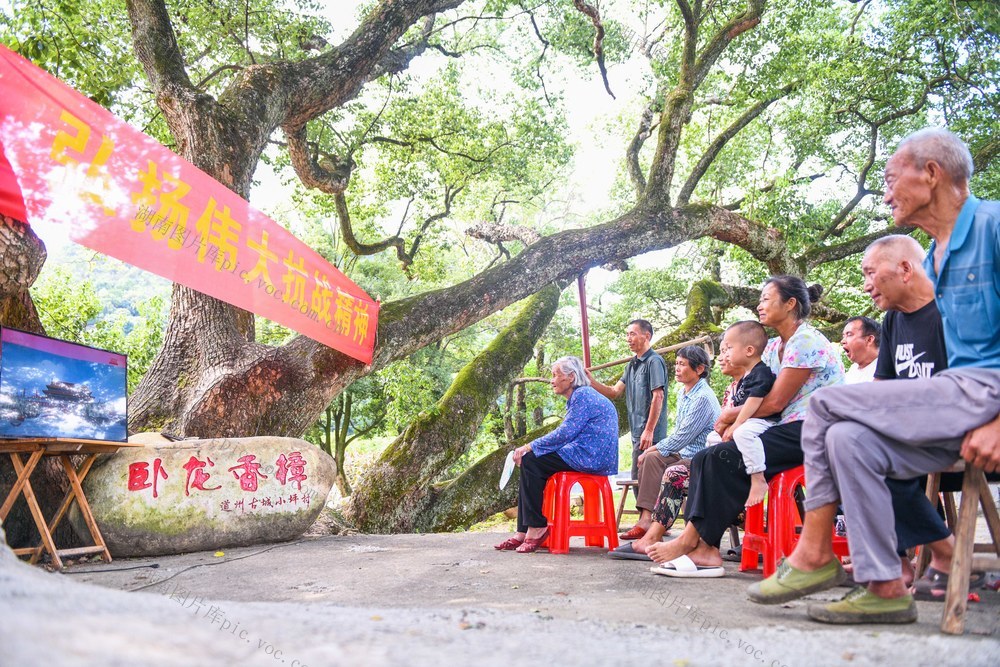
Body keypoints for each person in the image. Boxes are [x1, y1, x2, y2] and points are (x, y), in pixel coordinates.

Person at [747, 128, 1000, 625]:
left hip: (981, 395)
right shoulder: (941, 254)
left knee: (824, 406)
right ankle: (884, 584)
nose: (884, 193)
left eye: (890, 178)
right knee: (846, 439)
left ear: (930, 174)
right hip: (955, 406)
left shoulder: (991, 227)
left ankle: (814, 551)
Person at [644, 275, 845, 575]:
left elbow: (776, 402)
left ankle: (694, 542)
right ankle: (705, 549)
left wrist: (730, 417)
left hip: (815, 429)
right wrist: (730, 418)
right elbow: (757, 390)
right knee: (703, 457)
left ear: (790, 304)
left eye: (766, 299)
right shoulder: (775, 345)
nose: (759, 305)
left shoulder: (806, 340)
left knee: (720, 457)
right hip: (783, 428)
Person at [862, 234, 971, 598]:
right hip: (919, 442)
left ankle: (944, 556)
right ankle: (897, 562)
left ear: (905, 269)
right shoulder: (892, 321)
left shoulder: (954, 311)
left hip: (971, 438)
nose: (866, 287)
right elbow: (882, 387)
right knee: (850, 445)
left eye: (870, 274)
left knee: (877, 458)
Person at [494, 356, 619, 553]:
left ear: (570, 377)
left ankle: (535, 527)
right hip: (586, 453)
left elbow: (565, 433)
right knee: (532, 461)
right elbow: (567, 434)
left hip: (590, 456)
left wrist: (529, 446)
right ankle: (524, 530)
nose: (552, 380)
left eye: (555, 375)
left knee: (531, 460)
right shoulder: (581, 396)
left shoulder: (583, 395)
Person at [608, 346, 720, 559]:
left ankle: (651, 532)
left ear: (699, 369)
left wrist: (652, 446)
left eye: (682, 364)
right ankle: (647, 521)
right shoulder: (685, 393)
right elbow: (678, 435)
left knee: (652, 454)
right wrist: (652, 451)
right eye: (676, 363)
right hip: (685, 454)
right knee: (652, 458)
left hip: (700, 458)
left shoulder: (703, 397)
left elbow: (682, 437)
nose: (677, 368)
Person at [587, 319, 668, 540]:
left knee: (647, 475)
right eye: (627, 335)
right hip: (635, 432)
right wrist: (591, 381)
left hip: (651, 433)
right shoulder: (631, 365)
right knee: (637, 475)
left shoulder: (655, 362)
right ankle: (650, 521)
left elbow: (658, 396)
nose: (629, 339)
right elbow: (614, 392)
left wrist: (650, 429)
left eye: (633, 334)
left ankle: (649, 523)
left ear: (647, 336)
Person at [719, 321, 777, 508]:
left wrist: (736, 425)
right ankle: (728, 474)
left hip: (762, 421)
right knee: (713, 438)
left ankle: (757, 477)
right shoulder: (746, 375)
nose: (725, 353)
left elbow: (754, 402)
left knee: (742, 434)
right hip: (748, 421)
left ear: (749, 350)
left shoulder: (762, 372)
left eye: (729, 348)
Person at [841, 316, 880, 384]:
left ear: (869, 339)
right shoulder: (853, 370)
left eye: (849, 334)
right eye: (843, 336)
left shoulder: (886, 370)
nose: (842, 341)